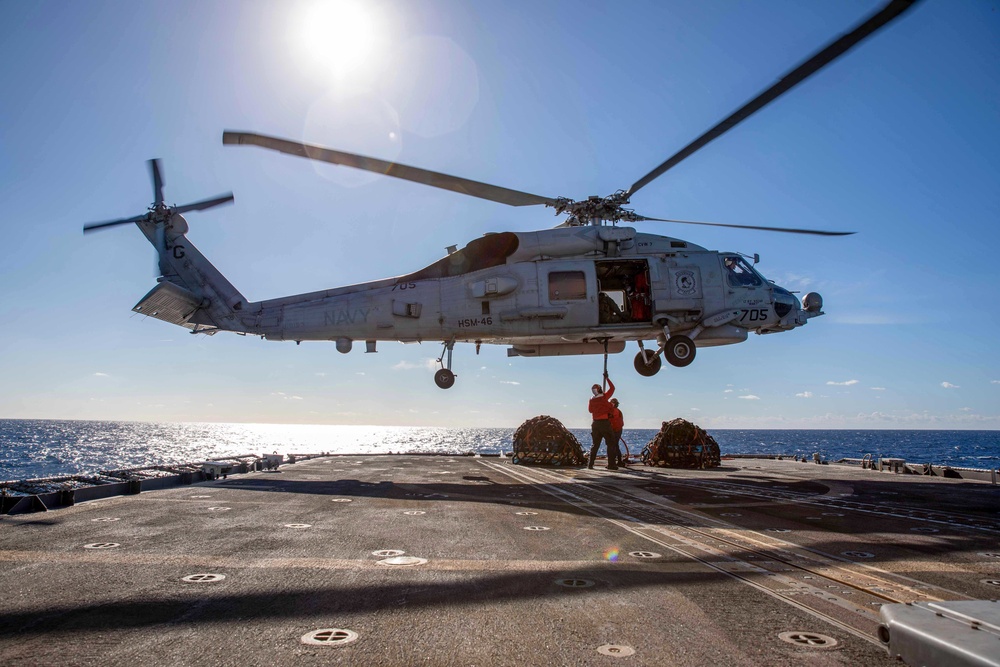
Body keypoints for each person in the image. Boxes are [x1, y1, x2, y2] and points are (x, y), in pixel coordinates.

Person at [588, 374, 619, 470]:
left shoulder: (591, 400)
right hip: (604, 423)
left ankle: (590, 464)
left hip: (595, 424)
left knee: (595, 445)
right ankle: (611, 464)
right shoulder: (604, 397)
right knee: (611, 443)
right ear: (600, 389)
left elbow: (590, 410)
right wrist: (607, 378)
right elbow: (613, 388)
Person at [609, 398, 625, 466]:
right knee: (615, 445)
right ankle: (618, 460)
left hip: (616, 430)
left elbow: (612, 419)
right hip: (617, 430)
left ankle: (615, 461)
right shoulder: (618, 411)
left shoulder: (615, 411)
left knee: (613, 445)